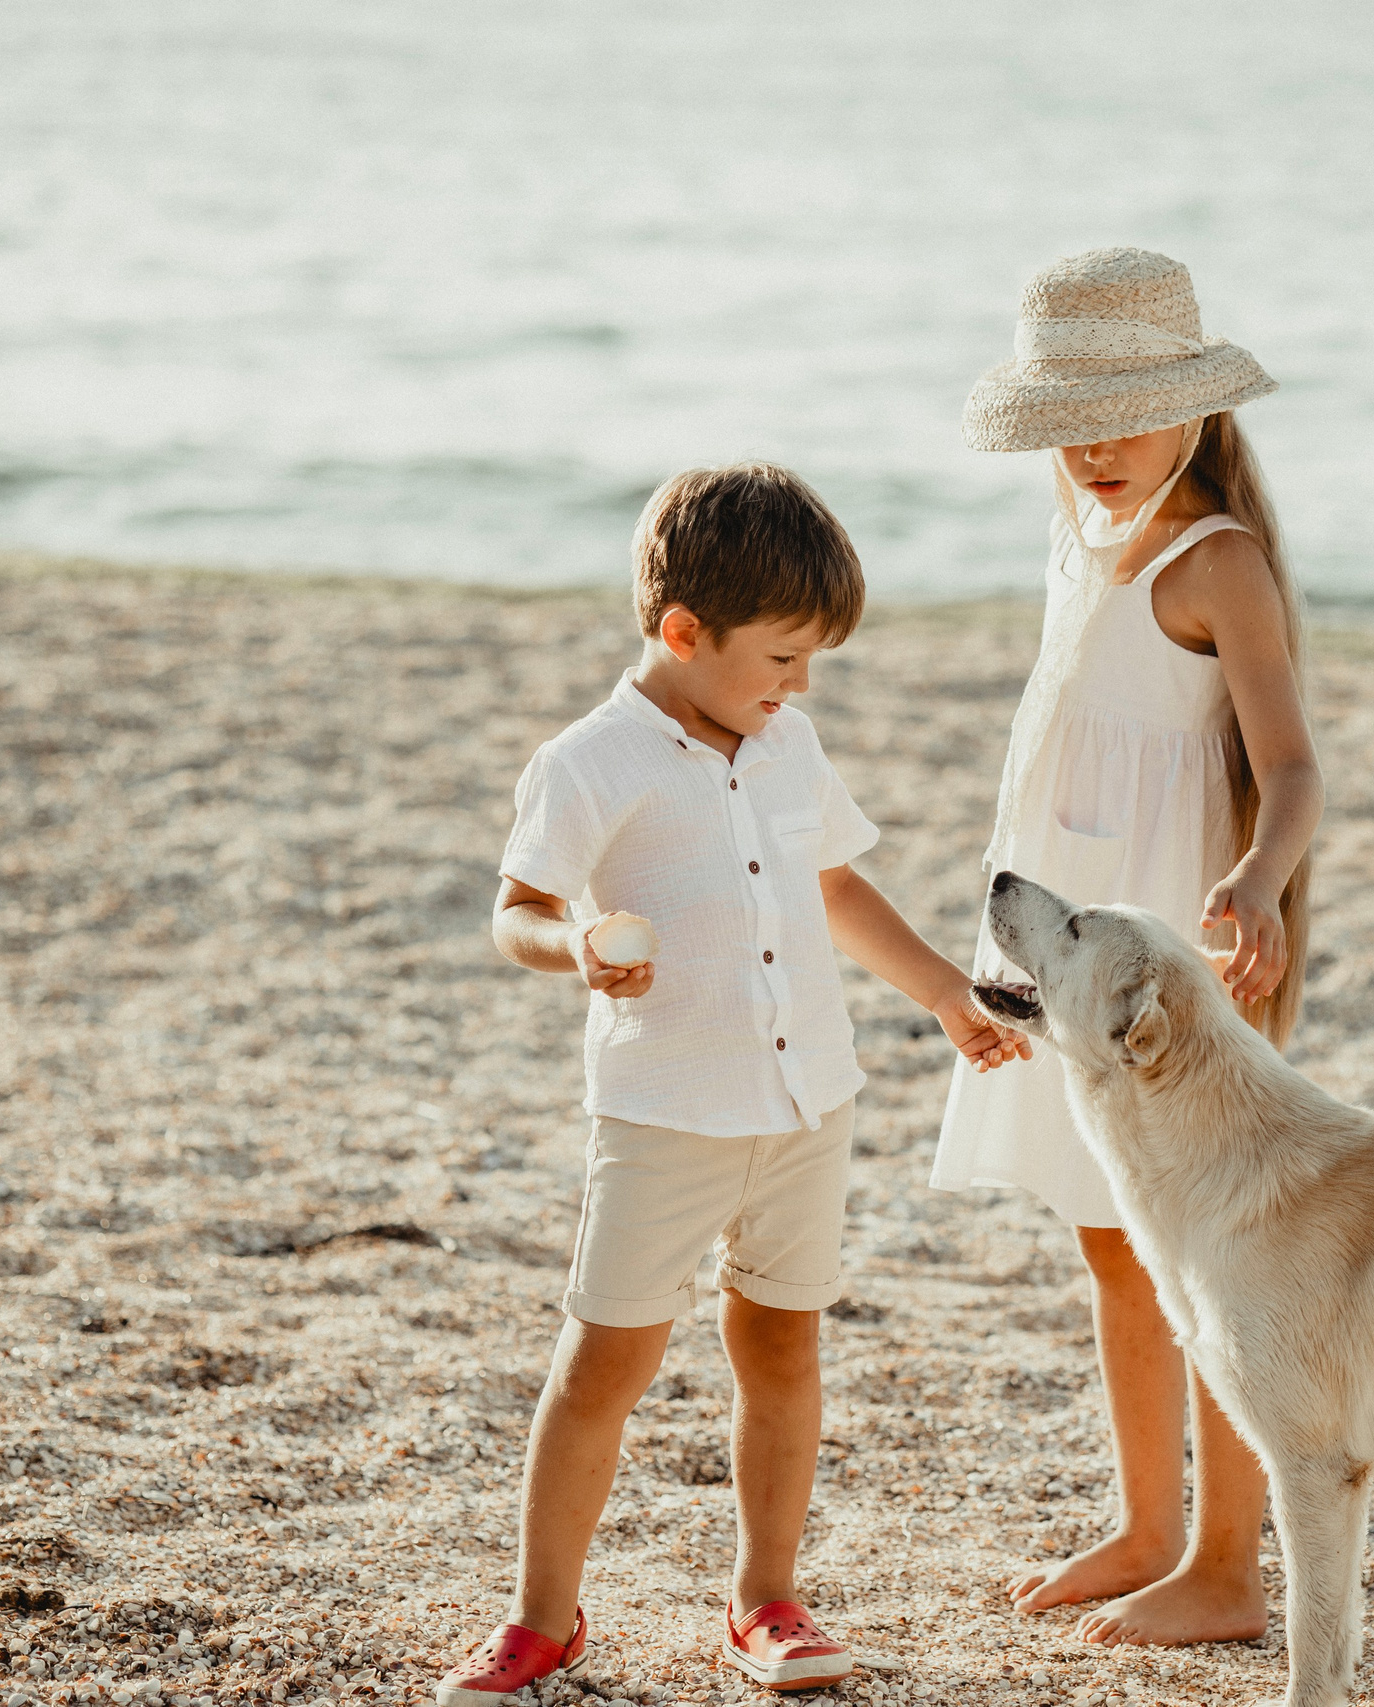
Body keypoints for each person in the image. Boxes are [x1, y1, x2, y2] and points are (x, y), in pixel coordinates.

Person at [437, 463, 1027, 1705]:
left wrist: (942, 995)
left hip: (809, 1101)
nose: (798, 687)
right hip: (664, 1115)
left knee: (781, 1347)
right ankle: (542, 1619)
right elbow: (518, 912)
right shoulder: (590, 762)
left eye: (812, 664)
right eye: (780, 659)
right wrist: (577, 949)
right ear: (682, 633)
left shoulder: (786, 743)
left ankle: (765, 1597)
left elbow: (837, 888)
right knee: (603, 1364)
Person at [932, 248, 1322, 1647]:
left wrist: (1263, 881)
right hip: (1067, 926)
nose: (1094, 444)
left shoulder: (1215, 559)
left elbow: (1289, 767)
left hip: (1165, 935)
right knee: (1115, 1239)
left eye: (1124, 410)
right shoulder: (1081, 528)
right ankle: (1150, 1522)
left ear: (1197, 410)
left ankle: (1225, 1559)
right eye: (1070, 418)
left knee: (1207, 1249)